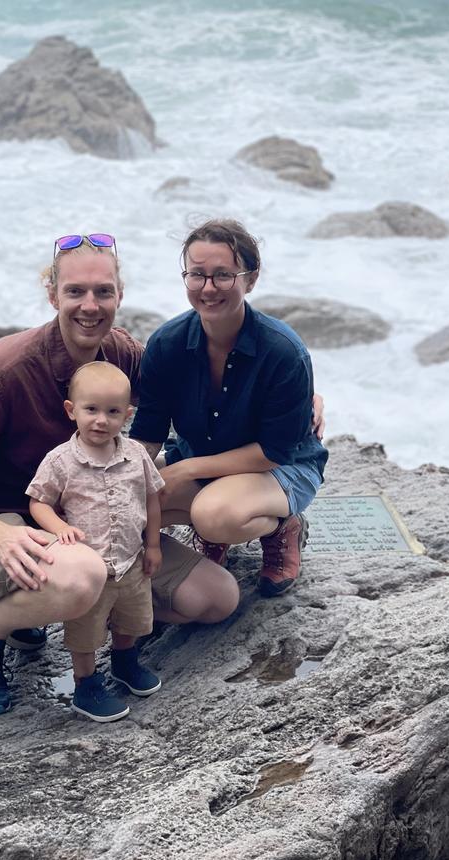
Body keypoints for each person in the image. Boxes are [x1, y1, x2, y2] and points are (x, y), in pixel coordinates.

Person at [0, 232, 236, 718]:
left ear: (120, 295)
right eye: (75, 291)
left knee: (215, 598)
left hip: (89, 529)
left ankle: (58, 609)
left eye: (103, 291)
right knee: (82, 577)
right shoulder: (3, 371)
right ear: (53, 294)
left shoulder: (118, 353)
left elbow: (201, 384)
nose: (90, 306)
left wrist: (300, 398)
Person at [129, 218, 329, 597]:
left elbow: (274, 451)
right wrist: (124, 482)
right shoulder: (167, 344)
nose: (208, 288)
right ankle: (210, 537)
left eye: (223, 275)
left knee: (213, 516)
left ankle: (283, 527)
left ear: (249, 280)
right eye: (197, 275)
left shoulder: (282, 351)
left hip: (280, 468)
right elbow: (149, 430)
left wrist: (184, 469)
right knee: (132, 504)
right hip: (206, 463)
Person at [27, 361, 163, 723]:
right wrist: (58, 527)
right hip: (92, 569)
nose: (101, 420)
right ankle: (86, 684)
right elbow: (38, 502)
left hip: (132, 560)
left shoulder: (136, 454)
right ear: (72, 411)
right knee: (85, 632)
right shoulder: (60, 461)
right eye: (91, 410)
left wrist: (153, 545)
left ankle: (125, 662)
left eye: (113, 412)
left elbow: (151, 498)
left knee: (131, 620)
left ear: (127, 415)